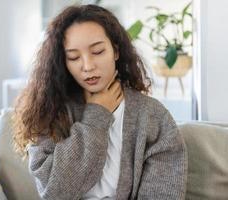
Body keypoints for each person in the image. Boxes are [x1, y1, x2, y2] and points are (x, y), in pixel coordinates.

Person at [12, 4, 187, 200]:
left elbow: (163, 194)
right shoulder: (50, 112)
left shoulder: (153, 116)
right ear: (63, 62)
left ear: (116, 51)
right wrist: (97, 116)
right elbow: (54, 193)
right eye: (74, 57)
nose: (87, 66)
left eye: (98, 52)